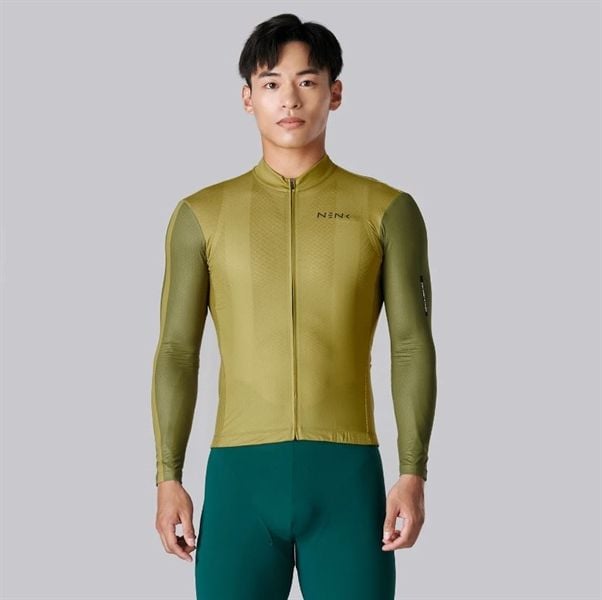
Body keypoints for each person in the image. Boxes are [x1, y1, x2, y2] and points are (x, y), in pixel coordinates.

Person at [151, 13, 437, 600]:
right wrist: (167, 476)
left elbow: (411, 345)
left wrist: (413, 471)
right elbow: (178, 351)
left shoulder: (386, 209)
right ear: (247, 98)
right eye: (271, 82)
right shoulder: (202, 214)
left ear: (335, 92)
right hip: (239, 481)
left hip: (348, 480)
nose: (290, 99)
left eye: (307, 81)